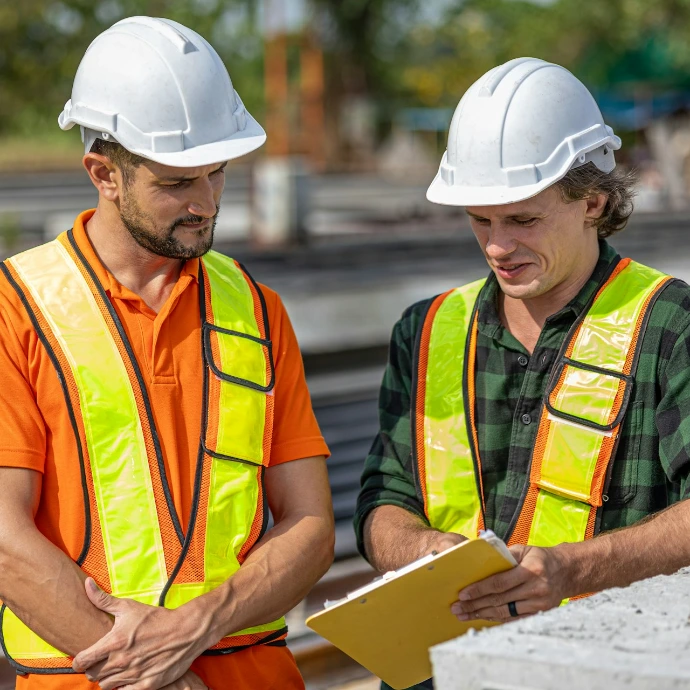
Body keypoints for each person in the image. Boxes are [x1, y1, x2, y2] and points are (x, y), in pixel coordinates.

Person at [0, 16, 334, 690]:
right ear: (104, 172)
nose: (205, 203)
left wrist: (198, 625)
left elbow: (311, 523)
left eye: (216, 174)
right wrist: (149, 673)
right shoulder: (17, 308)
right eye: (177, 182)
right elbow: (4, 540)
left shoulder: (257, 311)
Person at [354, 57, 690, 689]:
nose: (496, 246)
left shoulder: (670, 326)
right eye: (480, 219)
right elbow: (384, 498)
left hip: (598, 671)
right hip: (443, 669)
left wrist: (572, 570)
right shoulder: (426, 332)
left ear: (593, 201)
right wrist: (420, 551)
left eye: (522, 219)